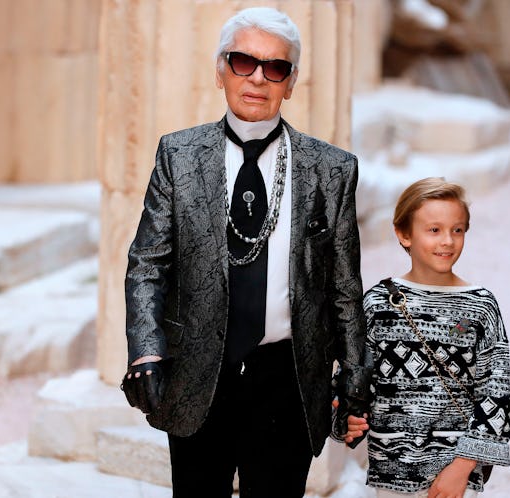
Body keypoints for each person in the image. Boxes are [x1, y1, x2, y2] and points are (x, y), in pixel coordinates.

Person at [119, 7, 370, 498]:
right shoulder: (178, 155)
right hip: (197, 372)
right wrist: (146, 351)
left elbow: (345, 286)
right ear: (220, 70)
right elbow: (147, 264)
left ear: (291, 83)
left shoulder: (332, 170)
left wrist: (355, 378)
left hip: (289, 378)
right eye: (243, 62)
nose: (258, 77)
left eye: (275, 68)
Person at [355, 178, 510, 498]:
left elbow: (495, 393)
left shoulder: (481, 305)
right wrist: (346, 416)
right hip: (391, 470)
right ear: (403, 234)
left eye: (458, 230)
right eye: (434, 230)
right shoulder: (377, 303)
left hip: (455, 474)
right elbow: (358, 379)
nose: (448, 241)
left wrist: (462, 466)